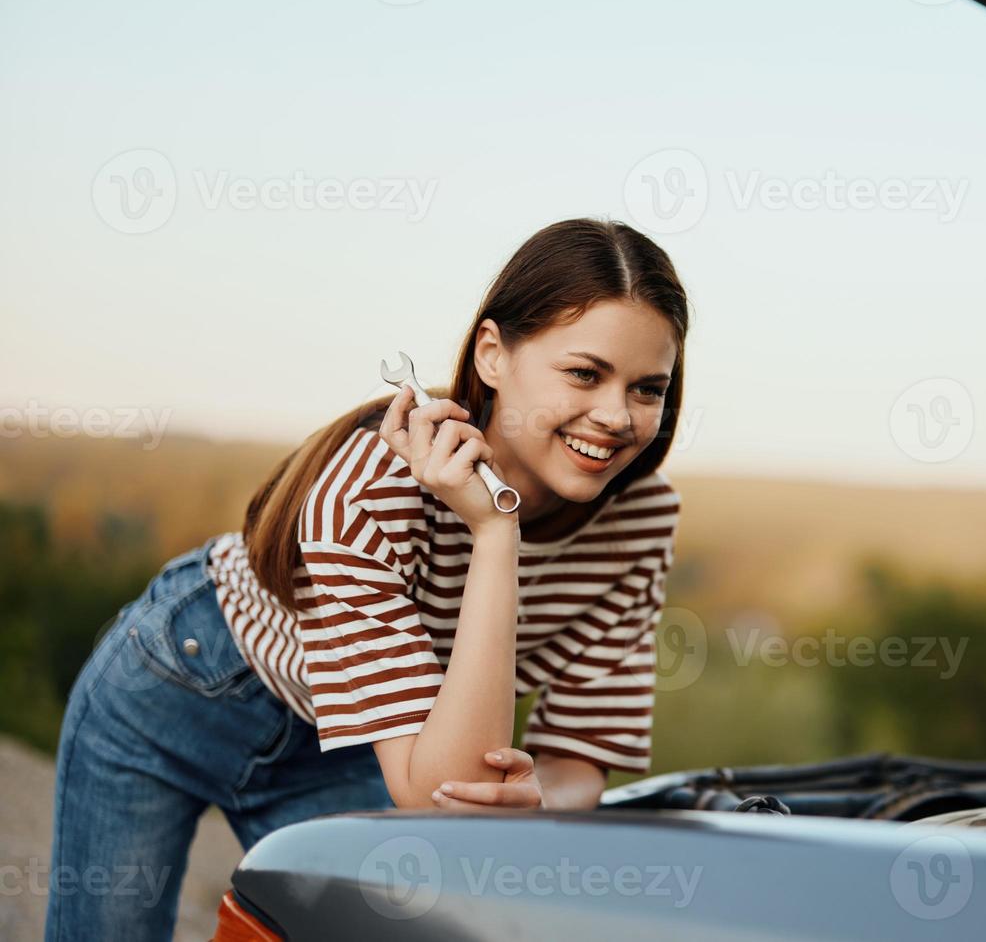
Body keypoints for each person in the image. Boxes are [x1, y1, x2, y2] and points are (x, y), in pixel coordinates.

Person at [45, 217, 691, 941]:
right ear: (492, 355)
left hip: (364, 743)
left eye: (646, 388)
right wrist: (495, 526)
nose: (614, 416)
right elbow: (441, 796)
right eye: (584, 373)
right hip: (183, 687)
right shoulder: (366, 487)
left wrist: (531, 802)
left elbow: (567, 763)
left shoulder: (641, 516)